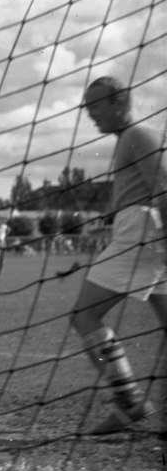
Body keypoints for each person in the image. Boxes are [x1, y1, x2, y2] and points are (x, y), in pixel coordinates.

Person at [70, 76, 167, 435]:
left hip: (143, 232)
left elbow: (164, 188)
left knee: (85, 315)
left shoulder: (138, 136)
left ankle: (130, 402)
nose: (91, 115)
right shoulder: (132, 138)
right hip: (146, 231)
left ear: (118, 103)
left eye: (95, 106)